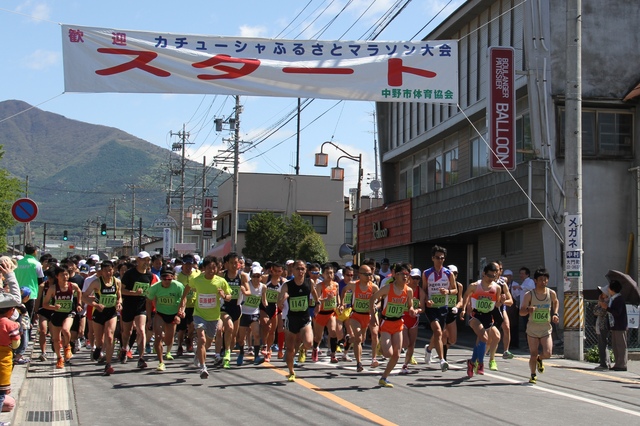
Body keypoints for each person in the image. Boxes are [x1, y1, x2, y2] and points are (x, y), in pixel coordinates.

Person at [178, 256, 231, 379]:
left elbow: (229, 296)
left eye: (213, 268)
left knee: (208, 341)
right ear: (204, 268)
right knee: (201, 339)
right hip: (199, 315)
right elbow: (187, 289)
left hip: (213, 316)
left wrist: (224, 296)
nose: (211, 270)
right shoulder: (197, 279)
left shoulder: (221, 281)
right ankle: (203, 367)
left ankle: (198, 354)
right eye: (208, 268)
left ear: (217, 269)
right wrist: (182, 303)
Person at [370, 263, 418, 388]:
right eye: (403, 274)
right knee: (388, 354)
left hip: (398, 323)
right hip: (386, 323)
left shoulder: (409, 291)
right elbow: (373, 298)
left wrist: (413, 310)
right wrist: (372, 315)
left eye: (408, 275)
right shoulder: (388, 288)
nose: (406, 277)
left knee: (396, 354)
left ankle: (384, 378)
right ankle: (381, 346)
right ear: (396, 275)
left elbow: (410, 306)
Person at [277, 260, 319, 382]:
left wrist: (318, 303)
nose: (300, 271)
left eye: (302, 269)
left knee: (309, 343)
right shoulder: (287, 285)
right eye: (298, 269)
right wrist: (282, 299)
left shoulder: (309, 282)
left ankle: (302, 348)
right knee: (290, 350)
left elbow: (315, 294)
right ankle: (291, 372)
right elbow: (279, 305)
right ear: (293, 270)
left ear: (306, 270)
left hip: (305, 318)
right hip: (291, 319)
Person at [461, 262, 502, 378]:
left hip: (488, 316)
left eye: (494, 276)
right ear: (484, 274)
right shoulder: (475, 286)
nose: (491, 278)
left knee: (480, 341)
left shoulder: (497, 288)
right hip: (476, 315)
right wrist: (463, 309)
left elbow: (497, 304)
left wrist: (502, 300)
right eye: (489, 275)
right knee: (484, 337)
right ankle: (481, 363)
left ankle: (472, 362)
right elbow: (466, 296)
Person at [519, 268, 559, 384]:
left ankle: (540, 359)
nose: (544, 282)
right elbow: (521, 312)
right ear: (535, 280)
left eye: (546, 279)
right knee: (533, 353)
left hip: (546, 328)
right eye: (541, 279)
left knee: (548, 353)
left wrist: (555, 313)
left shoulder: (551, 293)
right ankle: (533, 374)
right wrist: (528, 310)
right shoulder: (529, 295)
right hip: (532, 329)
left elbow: (556, 302)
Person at [119, 251, 158, 369]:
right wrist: (134, 293)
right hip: (128, 305)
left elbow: (151, 294)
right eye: (144, 260)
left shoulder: (150, 276)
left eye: (148, 260)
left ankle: (141, 357)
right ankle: (124, 348)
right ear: (138, 260)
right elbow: (121, 290)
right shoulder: (129, 274)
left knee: (141, 330)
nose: (146, 262)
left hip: (141, 307)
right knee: (127, 332)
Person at [82, 260, 122, 376]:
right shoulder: (96, 283)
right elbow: (84, 297)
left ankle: (108, 364)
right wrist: (95, 305)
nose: (108, 273)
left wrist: (119, 303)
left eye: (110, 270)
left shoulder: (117, 282)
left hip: (111, 312)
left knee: (110, 336)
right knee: (99, 339)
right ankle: (98, 348)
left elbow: (119, 297)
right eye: (105, 270)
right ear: (101, 272)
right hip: (99, 312)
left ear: (113, 270)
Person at [421, 245, 457, 372]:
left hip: (443, 306)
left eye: (442, 258)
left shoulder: (449, 273)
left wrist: (447, 291)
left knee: (439, 333)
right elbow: (424, 290)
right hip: (431, 307)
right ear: (432, 258)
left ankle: (429, 349)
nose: (440, 260)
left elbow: (455, 290)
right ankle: (442, 360)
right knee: (437, 331)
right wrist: (426, 300)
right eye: (437, 258)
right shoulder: (426, 273)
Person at [42, 266, 83, 369]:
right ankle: (59, 358)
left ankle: (67, 346)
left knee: (65, 329)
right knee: (56, 339)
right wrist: (53, 307)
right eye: (62, 275)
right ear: (57, 276)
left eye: (66, 274)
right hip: (57, 314)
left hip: (69, 312)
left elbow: (79, 292)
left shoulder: (72, 286)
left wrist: (78, 304)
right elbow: (45, 304)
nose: (65, 277)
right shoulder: (53, 288)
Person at [341, 264, 380, 372]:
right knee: (358, 337)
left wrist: (376, 306)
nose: (369, 276)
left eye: (370, 274)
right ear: (360, 275)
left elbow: (380, 299)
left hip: (367, 316)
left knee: (361, 339)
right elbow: (344, 290)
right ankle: (359, 363)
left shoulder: (374, 287)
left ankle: (349, 339)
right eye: (366, 274)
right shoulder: (354, 285)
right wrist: (341, 303)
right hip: (355, 315)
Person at [146, 266, 184, 372]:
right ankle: (161, 362)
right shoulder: (155, 287)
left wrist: (181, 311)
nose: (167, 281)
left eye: (169, 279)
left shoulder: (178, 286)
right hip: (160, 314)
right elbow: (148, 301)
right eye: (164, 279)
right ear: (161, 278)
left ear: (173, 278)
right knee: (158, 337)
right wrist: (149, 318)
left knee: (168, 340)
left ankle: (166, 348)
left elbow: (183, 299)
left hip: (173, 314)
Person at [13, 244, 44, 363]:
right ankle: (25, 341)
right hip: (31, 294)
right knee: (27, 319)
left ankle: (17, 340)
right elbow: (40, 279)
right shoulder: (36, 264)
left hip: (17, 293)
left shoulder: (18, 263)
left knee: (17, 317)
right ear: (35, 252)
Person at [0, 257, 22, 421]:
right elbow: (16, 298)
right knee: (4, 398)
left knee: (8, 402)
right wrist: (10, 275)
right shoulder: (9, 324)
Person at [219, 252, 248, 369]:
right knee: (229, 327)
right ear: (226, 264)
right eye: (231, 263)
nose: (234, 265)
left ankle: (228, 352)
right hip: (224, 307)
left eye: (236, 263)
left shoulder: (242, 276)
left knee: (234, 336)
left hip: (237, 308)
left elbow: (248, 291)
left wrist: (244, 291)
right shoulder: (221, 275)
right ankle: (226, 353)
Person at [312, 263, 340, 363]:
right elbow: (317, 300)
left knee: (333, 331)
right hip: (321, 313)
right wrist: (325, 299)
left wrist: (340, 304)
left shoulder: (336, 284)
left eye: (331, 273)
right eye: (327, 273)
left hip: (331, 313)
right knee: (318, 336)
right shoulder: (320, 286)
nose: (330, 275)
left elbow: (337, 296)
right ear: (323, 274)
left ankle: (333, 354)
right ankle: (315, 348)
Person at [238, 266, 265, 366]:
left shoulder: (263, 287)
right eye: (254, 276)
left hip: (254, 313)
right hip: (244, 313)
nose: (256, 278)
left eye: (258, 276)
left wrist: (265, 303)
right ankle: (241, 353)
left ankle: (256, 356)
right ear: (251, 277)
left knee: (257, 334)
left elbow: (264, 299)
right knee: (241, 338)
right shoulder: (247, 285)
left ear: (261, 277)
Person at [600, 280, 628, 371]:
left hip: (620, 325)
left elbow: (617, 312)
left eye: (609, 288)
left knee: (621, 345)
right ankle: (617, 363)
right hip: (614, 325)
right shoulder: (613, 298)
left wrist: (607, 308)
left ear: (612, 289)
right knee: (615, 345)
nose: (608, 289)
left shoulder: (619, 299)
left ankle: (622, 364)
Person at [175, 254, 200, 357]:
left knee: (192, 325)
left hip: (194, 304)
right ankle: (180, 345)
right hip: (181, 305)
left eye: (190, 264)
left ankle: (189, 339)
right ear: (182, 265)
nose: (189, 266)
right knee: (181, 328)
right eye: (186, 264)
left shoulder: (197, 274)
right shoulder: (178, 276)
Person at [399, 268, 422, 374]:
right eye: (414, 278)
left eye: (418, 278)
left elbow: (423, 307)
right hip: (403, 317)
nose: (415, 280)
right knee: (405, 342)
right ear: (409, 278)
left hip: (413, 320)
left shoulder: (420, 291)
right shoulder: (404, 289)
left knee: (412, 344)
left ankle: (405, 365)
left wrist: (417, 310)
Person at [593, 285, 610, 370]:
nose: (601, 294)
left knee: (603, 344)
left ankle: (604, 363)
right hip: (600, 325)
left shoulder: (607, 302)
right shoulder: (602, 302)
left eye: (602, 292)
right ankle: (605, 362)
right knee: (602, 344)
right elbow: (595, 311)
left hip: (604, 326)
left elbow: (600, 312)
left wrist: (600, 304)